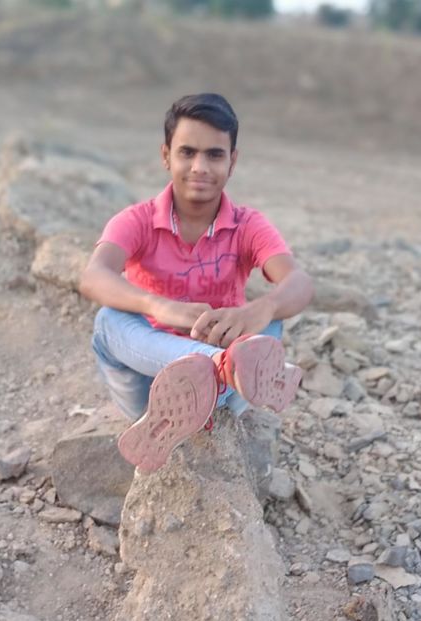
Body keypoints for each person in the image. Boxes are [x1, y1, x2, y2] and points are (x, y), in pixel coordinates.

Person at [79, 93, 314, 473]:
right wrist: (159, 306)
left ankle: (223, 371)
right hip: (151, 390)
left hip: (225, 393)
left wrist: (262, 308)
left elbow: (299, 281)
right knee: (109, 320)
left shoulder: (248, 225)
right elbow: (93, 276)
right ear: (166, 156)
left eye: (214, 155)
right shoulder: (137, 220)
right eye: (187, 153)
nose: (199, 167)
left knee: (270, 323)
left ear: (232, 161)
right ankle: (220, 366)